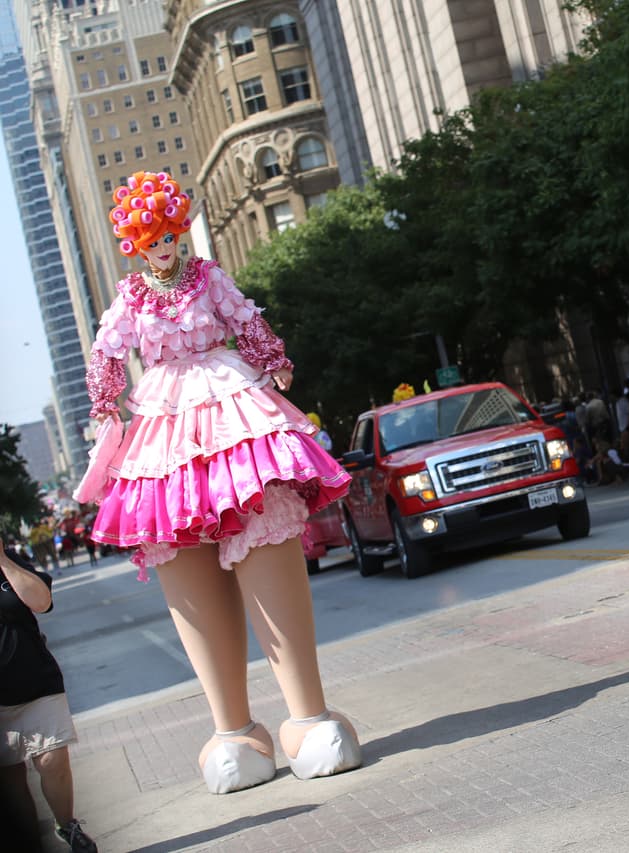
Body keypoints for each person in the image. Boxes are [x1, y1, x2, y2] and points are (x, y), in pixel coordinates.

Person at [80, 171, 360, 794]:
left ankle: (306, 718)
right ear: (135, 244)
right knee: (178, 537)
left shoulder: (207, 276)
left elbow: (246, 319)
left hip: (231, 400)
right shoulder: (130, 298)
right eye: (152, 240)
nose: (163, 248)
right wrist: (104, 402)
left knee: (261, 515)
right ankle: (233, 731)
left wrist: (272, 359)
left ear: (180, 231)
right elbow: (106, 353)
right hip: (165, 421)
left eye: (169, 236)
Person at [0, 547, 97, 852]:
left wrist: (2, 560)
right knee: (11, 779)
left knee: (52, 759)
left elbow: (42, 602)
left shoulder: (10, 560)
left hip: (36, 678)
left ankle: (66, 825)